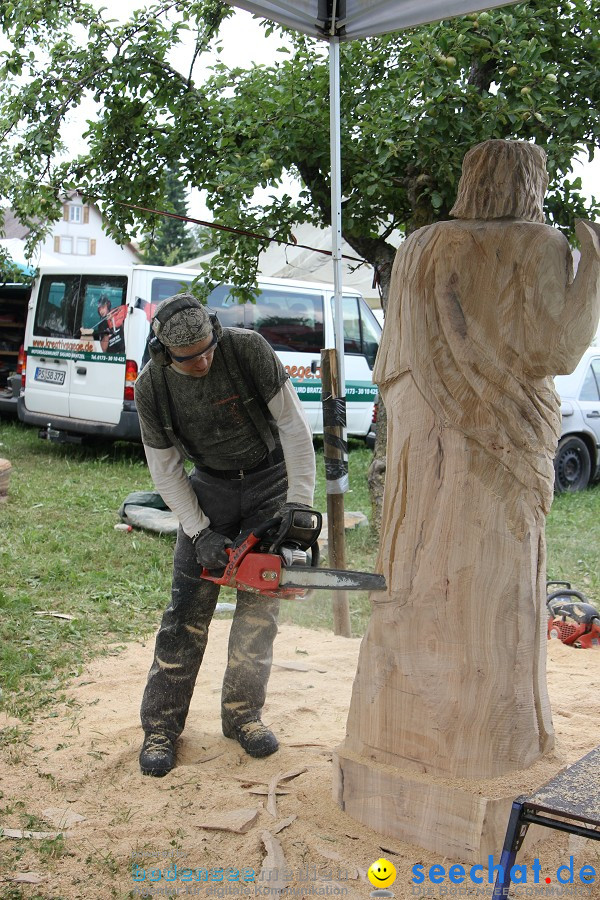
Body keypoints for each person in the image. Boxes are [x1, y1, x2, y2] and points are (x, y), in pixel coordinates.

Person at [134, 292, 316, 777]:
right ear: (165, 352)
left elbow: (294, 429)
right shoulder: (152, 387)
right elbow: (166, 468)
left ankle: (243, 716)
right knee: (184, 617)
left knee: (259, 613)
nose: (204, 360)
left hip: (268, 479)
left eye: (208, 348)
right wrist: (198, 532)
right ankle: (161, 727)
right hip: (208, 486)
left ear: (214, 330)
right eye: (190, 357)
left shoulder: (247, 349)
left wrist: (297, 503)